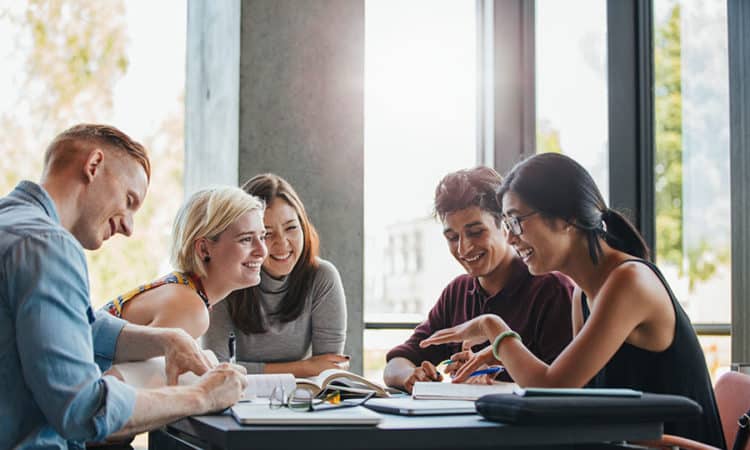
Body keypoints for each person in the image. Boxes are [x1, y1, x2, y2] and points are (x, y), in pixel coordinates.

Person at [420, 153, 725, 447]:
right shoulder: (584, 292)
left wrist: (494, 328)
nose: (511, 238)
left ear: (566, 217)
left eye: (516, 222)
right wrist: (500, 354)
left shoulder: (628, 282)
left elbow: (552, 388)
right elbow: (574, 395)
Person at [0, 124, 247, 449]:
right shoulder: (48, 246)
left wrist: (167, 339)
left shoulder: (13, 226)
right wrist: (201, 396)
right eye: (129, 200)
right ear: (93, 166)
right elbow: (83, 410)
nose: (129, 228)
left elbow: (69, 327)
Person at [383, 167, 573, 393]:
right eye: (453, 237)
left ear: (505, 225)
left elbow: (563, 388)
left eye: (475, 232)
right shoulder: (458, 292)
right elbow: (396, 363)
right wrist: (410, 376)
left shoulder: (551, 289)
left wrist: (492, 383)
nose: (463, 248)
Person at [203, 173, 348, 377]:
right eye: (267, 234)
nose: (282, 243)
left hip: (302, 400)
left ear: (304, 226)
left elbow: (328, 369)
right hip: (240, 398)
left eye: (291, 228)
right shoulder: (226, 278)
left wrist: (252, 370)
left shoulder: (322, 277)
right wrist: (304, 367)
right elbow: (216, 369)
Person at [100, 186, 267, 339]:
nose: (262, 251)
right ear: (204, 249)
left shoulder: (184, 290)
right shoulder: (189, 308)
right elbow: (123, 371)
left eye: (262, 237)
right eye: (246, 239)